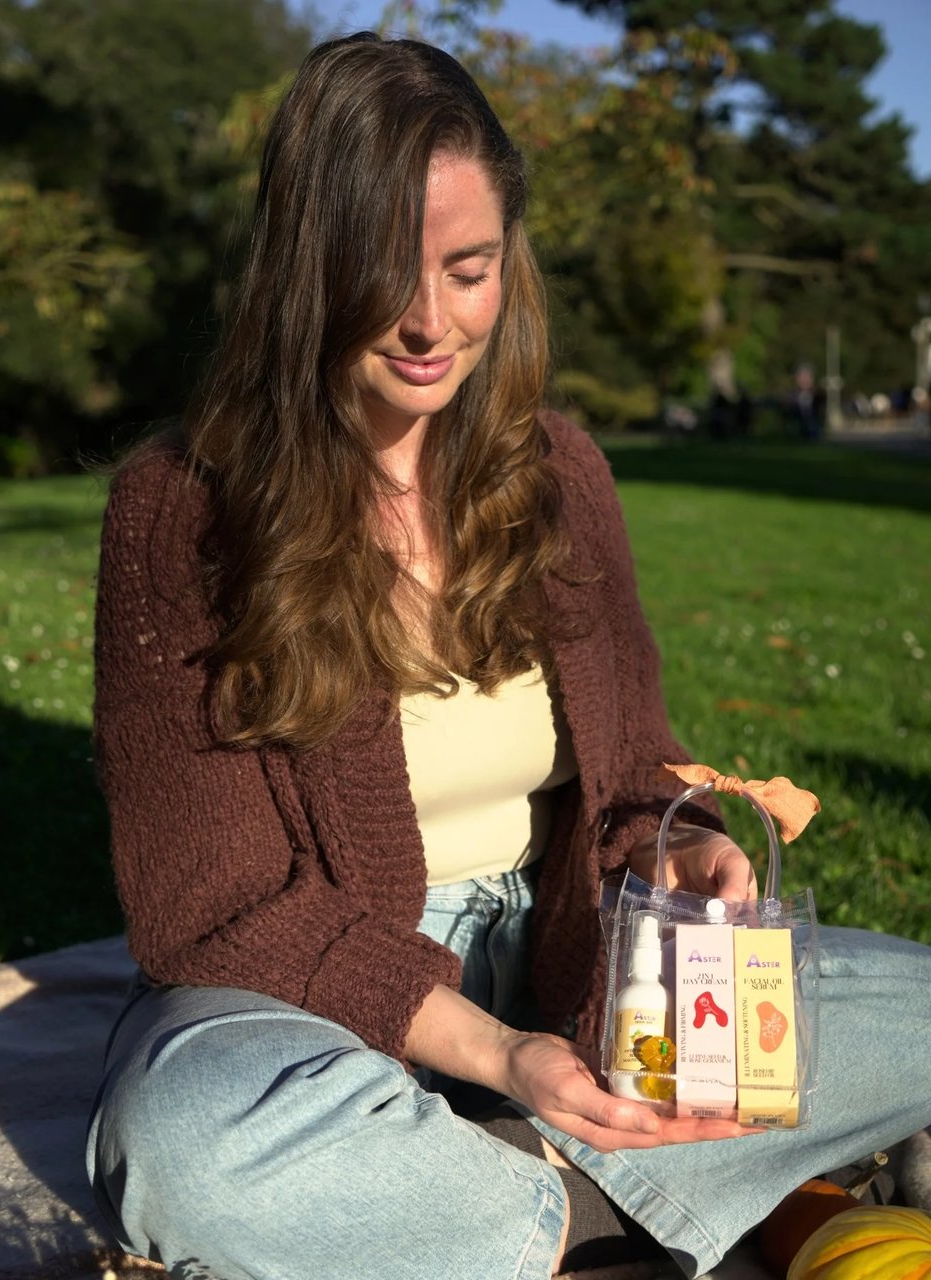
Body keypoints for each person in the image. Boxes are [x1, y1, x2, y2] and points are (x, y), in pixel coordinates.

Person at [84, 32, 931, 1280]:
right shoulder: (180, 509)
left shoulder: (560, 473)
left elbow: (633, 774)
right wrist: (498, 1053)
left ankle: (461, 1200)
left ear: (508, 263)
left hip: (574, 961)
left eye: (468, 270)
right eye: (385, 275)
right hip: (313, 1012)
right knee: (183, 1144)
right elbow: (207, 908)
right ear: (305, 272)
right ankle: (612, 1203)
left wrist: (681, 849)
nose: (431, 321)